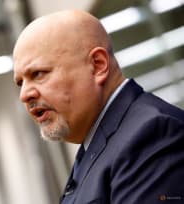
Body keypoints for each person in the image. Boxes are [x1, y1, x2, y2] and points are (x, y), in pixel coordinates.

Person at [12, 9, 184, 204]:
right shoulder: (98, 144)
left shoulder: (152, 135)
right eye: (20, 82)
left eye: (38, 74)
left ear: (98, 65)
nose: (24, 95)